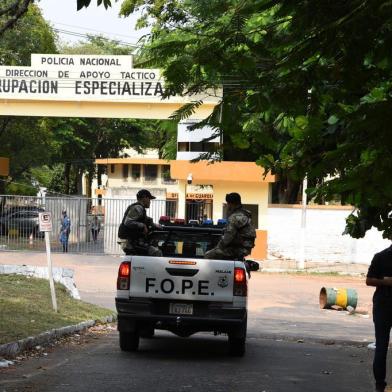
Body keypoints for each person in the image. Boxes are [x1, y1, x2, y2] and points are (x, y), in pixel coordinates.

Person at [366, 244, 392, 392]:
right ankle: (379, 384)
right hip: (383, 306)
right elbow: (369, 280)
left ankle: (379, 386)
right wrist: (385, 282)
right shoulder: (380, 257)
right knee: (381, 346)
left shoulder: (380, 256)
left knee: (381, 346)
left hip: (381, 306)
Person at [204, 192, 256, 260]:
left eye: (228, 204)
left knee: (208, 255)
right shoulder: (246, 214)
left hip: (237, 249)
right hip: (246, 248)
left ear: (231, 204)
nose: (227, 206)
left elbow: (227, 238)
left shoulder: (234, 217)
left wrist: (217, 248)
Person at [118, 189, 162, 256]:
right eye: (149, 199)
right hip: (131, 242)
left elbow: (146, 220)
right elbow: (128, 222)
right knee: (156, 252)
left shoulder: (140, 209)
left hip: (133, 241)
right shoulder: (138, 208)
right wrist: (143, 226)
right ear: (144, 198)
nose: (150, 202)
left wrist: (155, 225)